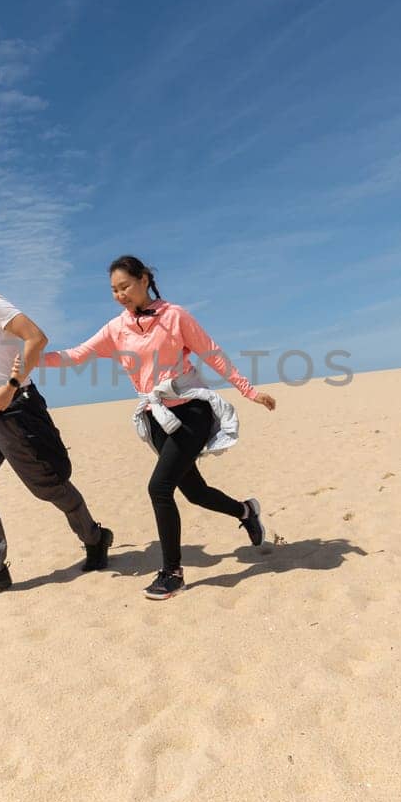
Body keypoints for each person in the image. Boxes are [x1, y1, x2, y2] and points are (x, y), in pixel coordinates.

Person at [35, 255, 276, 599]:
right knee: (194, 492)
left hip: (191, 411)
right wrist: (31, 359)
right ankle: (246, 510)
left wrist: (248, 390)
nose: (120, 294)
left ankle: (172, 573)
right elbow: (76, 355)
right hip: (157, 417)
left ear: (144, 279)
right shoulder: (116, 328)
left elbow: (213, 353)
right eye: (114, 290)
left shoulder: (175, 316)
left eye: (125, 286)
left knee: (159, 488)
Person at [0, 248, 113, 595]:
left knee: (46, 486)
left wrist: (12, 386)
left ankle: (95, 537)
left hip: (14, 410)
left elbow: (36, 337)